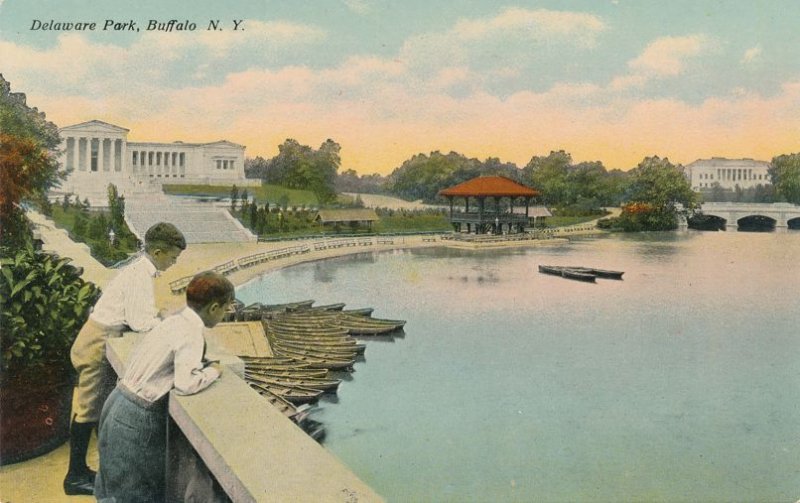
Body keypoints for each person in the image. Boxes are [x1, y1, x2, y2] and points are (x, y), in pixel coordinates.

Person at [64, 222, 186, 496]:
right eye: (173, 258)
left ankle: (84, 471)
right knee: (87, 410)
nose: (174, 263)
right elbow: (141, 322)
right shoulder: (139, 276)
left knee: (94, 408)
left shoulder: (138, 270)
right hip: (97, 341)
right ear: (157, 252)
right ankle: (74, 476)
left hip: (97, 336)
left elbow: (138, 314)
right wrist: (168, 323)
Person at [94, 271, 234, 503]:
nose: (224, 315)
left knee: (112, 485)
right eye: (225, 309)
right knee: (135, 491)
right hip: (138, 416)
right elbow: (185, 385)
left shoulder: (172, 321)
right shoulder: (192, 333)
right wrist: (213, 371)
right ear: (213, 308)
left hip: (117, 400)